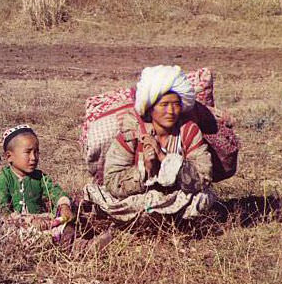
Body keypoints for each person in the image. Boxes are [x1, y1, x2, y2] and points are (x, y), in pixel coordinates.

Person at [88, 65, 216, 223]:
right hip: (139, 198)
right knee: (101, 194)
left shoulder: (189, 131)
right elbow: (112, 181)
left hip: (178, 197)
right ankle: (156, 219)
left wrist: (164, 158)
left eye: (176, 104)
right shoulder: (132, 134)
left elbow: (204, 176)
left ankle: (154, 220)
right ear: (150, 109)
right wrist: (145, 171)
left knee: (204, 197)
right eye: (164, 105)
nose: (171, 111)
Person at [0, 125, 75, 233]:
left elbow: (55, 191)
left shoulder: (40, 177)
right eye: (28, 152)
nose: (34, 158)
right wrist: (27, 221)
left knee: (65, 226)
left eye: (36, 152)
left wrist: (64, 205)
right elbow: (3, 210)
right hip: (17, 225)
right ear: (9, 156)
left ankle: (82, 243)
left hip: (43, 223)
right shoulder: (4, 178)